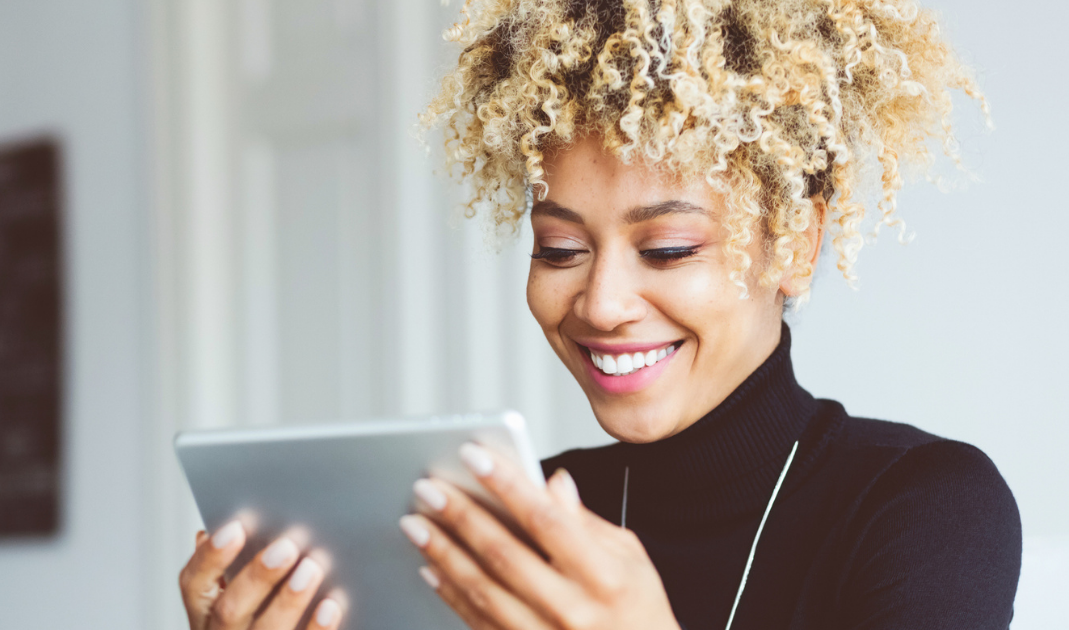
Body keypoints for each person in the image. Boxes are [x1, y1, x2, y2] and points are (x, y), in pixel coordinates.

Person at [177, 0, 1021, 628]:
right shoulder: (511, 523)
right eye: (559, 250)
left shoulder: (923, 509)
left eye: (667, 250)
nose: (603, 304)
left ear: (794, 244)